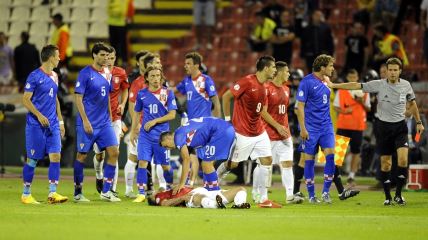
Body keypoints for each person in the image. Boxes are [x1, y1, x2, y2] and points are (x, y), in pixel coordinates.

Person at [326, 57, 425, 205]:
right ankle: (387, 197)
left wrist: (418, 122)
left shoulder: (406, 85)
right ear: (386, 71)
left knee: (403, 159)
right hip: (383, 128)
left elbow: (413, 103)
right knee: (386, 164)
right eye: (390, 70)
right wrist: (335, 85)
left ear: (400, 71)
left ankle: (398, 194)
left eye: (395, 70)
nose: (392, 73)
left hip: (400, 127)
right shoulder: (378, 84)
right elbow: (356, 85)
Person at [217, 56, 278, 207]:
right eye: (273, 67)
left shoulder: (265, 87)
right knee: (233, 165)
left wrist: (276, 125)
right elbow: (226, 97)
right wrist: (226, 121)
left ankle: (263, 199)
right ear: (265, 68)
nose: (275, 70)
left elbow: (261, 111)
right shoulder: (247, 81)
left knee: (267, 160)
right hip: (242, 132)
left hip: (258, 131)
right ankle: (212, 182)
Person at [73, 42, 121, 202]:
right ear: (94, 55)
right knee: (81, 156)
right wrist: (85, 121)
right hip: (88, 123)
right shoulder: (85, 73)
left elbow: (106, 95)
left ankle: (106, 191)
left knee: (114, 152)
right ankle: (78, 193)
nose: (106, 58)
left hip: (104, 123)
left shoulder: (107, 73)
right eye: (102, 55)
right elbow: (78, 98)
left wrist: (110, 115)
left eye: (107, 55)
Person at [21, 44, 68, 204]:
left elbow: (55, 99)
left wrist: (60, 121)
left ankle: (52, 193)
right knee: (32, 159)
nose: (60, 58)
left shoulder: (55, 75)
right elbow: (25, 99)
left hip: (53, 124)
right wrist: (39, 115)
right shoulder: (34, 76)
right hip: (35, 124)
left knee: (56, 156)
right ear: (50, 57)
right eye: (57, 55)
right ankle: (26, 194)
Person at [129, 66, 177, 203]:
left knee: (165, 166)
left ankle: (169, 187)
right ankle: (141, 193)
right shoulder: (141, 94)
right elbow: (137, 113)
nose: (156, 79)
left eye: (158, 76)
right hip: (145, 135)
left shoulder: (168, 93)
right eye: (153, 76)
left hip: (162, 137)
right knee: (142, 162)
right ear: (147, 78)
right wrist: (133, 131)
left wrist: (155, 121)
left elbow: (172, 114)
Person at [259, 61, 303, 204]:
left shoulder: (286, 89)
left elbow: (282, 113)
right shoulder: (266, 88)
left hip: (284, 134)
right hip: (268, 134)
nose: (289, 74)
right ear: (278, 72)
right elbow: (263, 112)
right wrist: (277, 126)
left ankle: (290, 195)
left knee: (288, 163)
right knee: (265, 165)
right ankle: (262, 195)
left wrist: (282, 128)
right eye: (286, 71)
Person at [296, 54, 336, 204]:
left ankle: (326, 193)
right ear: (322, 67)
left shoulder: (327, 81)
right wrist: (303, 128)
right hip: (311, 128)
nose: (333, 69)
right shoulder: (306, 82)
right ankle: (312, 195)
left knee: (331, 156)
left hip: (326, 126)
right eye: (331, 66)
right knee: (309, 160)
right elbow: (300, 107)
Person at [159, 117, 235, 195]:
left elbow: (186, 160)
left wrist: (181, 184)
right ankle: (209, 190)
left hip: (221, 131)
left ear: (168, 138)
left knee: (206, 164)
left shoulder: (178, 137)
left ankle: (215, 193)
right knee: (206, 164)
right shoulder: (183, 135)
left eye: (166, 146)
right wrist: (190, 182)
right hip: (226, 129)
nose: (168, 149)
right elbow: (193, 161)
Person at [92, 47, 129, 196]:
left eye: (112, 58)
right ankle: (99, 175)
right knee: (99, 154)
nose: (109, 61)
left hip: (115, 118)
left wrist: (123, 104)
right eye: (107, 58)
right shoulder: (95, 73)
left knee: (115, 152)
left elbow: (126, 88)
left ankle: (111, 188)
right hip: (99, 119)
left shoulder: (120, 73)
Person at [334, 69, 371, 185]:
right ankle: (335, 174)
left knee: (356, 151)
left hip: (358, 125)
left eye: (354, 77)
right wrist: (345, 111)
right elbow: (335, 107)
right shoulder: (341, 91)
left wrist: (361, 102)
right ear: (347, 78)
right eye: (350, 77)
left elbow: (369, 108)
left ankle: (351, 176)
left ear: (357, 77)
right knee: (339, 151)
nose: (352, 79)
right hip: (343, 124)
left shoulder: (364, 90)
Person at [124, 50, 150, 198]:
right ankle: (128, 189)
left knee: (156, 161)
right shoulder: (137, 82)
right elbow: (132, 105)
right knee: (134, 157)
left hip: (155, 128)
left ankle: (158, 189)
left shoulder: (159, 83)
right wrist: (136, 126)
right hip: (141, 126)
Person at [148, 185, 251, 209]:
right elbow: (165, 204)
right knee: (199, 197)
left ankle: (239, 205)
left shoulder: (166, 190)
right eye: (151, 194)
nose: (152, 191)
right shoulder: (158, 197)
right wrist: (181, 198)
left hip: (207, 192)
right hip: (191, 197)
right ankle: (216, 204)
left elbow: (161, 187)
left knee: (241, 189)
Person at [108, 0, 134, 66]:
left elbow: (125, 11)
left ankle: (124, 60)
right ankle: (114, 60)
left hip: (122, 24)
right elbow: (108, 10)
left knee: (123, 44)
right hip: (112, 23)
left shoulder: (127, 1)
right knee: (113, 44)